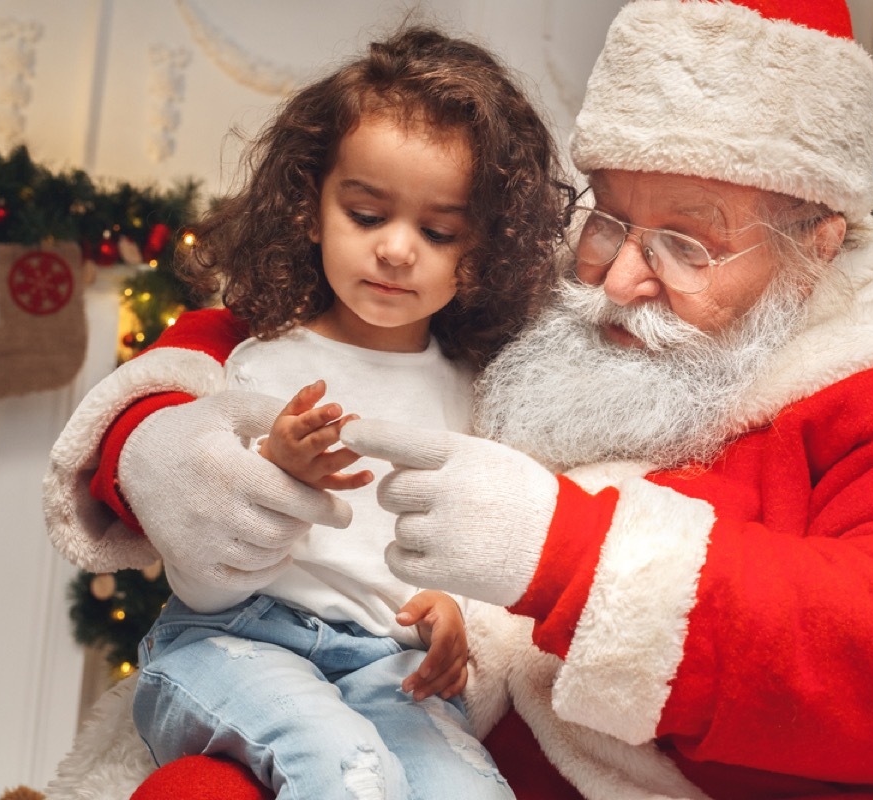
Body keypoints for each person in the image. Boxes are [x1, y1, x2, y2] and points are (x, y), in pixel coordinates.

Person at [44, 2, 873, 799]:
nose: (619, 279)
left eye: (687, 241)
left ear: (816, 242)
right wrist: (151, 442)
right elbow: (290, 329)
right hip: (396, 710)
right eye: (609, 218)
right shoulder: (555, 303)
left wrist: (568, 552)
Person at [43, 25, 571, 800]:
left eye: (438, 231)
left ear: (484, 248)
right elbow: (202, 561)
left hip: (390, 667)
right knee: (342, 772)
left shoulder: (474, 391)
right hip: (230, 644)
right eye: (366, 215)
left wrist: (457, 618)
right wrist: (273, 475)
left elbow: (471, 539)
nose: (397, 251)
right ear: (312, 206)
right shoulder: (256, 362)